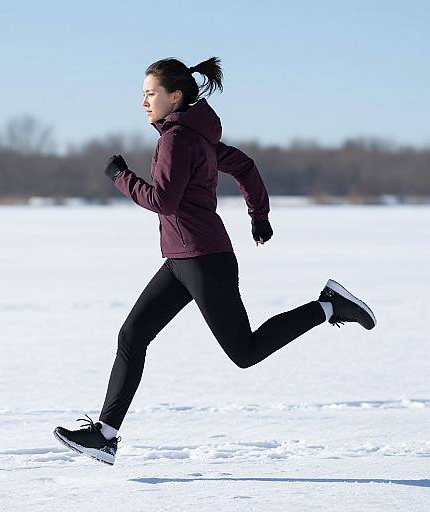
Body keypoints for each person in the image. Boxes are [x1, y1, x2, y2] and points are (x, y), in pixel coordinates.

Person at [53, 57, 377, 465]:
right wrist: (258, 215)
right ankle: (105, 434)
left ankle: (329, 304)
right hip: (182, 260)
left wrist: (121, 177)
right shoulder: (195, 137)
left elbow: (163, 201)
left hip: (204, 261)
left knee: (245, 351)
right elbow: (244, 165)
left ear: (176, 96)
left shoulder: (177, 140)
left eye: (150, 94)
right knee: (132, 335)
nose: (144, 102)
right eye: (142, 94)